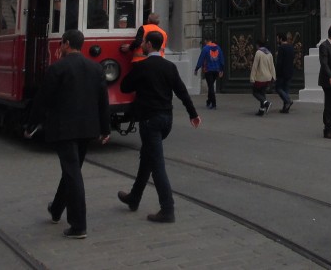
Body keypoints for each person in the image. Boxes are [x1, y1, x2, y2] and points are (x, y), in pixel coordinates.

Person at [28, 29, 110, 239]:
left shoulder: (57, 68)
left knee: (73, 173)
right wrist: (105, 128)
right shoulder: (95, 68)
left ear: (65, 44)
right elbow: (103, 101)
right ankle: (56, 209)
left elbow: (42, 99)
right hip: (87, 128)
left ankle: (78, 225)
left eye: (61, 44)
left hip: (64, 128)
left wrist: (31, 124)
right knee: (71, 170)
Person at [117, 30, 199, 223]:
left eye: (144, 42)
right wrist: (193, 114)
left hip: (150, 120)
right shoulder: (169, 67)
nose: (143, 45)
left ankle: (167, 208)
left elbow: (125, 87)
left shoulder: (142, 66)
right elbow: (182, 92)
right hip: (166, 120)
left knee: (157, 164)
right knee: (148, 157)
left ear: (148, 45)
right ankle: (134, 197)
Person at [193, 36, 224, 110]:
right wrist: (221, 70)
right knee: (211, 85)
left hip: (208, 70)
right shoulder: (218, 48)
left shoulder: (205, 48)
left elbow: (201, 59)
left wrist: (197, 68)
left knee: (210, 87)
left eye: (204, 41)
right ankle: (209, 101)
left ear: (206, 41)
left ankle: (213, 103)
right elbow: (221, 59)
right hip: (216, 70)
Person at [249, 38, 276, 115]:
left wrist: (252, 78)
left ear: (258, 45)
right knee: (262, 92)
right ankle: (261, 110)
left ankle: (266, 103)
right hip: (268, 77)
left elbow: (255, 66)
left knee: (255, 92)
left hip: (260, 77)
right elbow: (272, 66)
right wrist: (274, 76)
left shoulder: (258, 53)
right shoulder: (269, 53)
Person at [275, 32, 295, 113]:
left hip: (282, 72)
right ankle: (285, 108)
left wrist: (276, 72)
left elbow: (279, 62)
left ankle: (288, 100)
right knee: (286, 89)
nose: (277, 40)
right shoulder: (291, 47)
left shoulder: (281, 48)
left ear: (280, 39)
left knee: (278, 88)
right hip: (290, 71)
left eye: (277, 39)